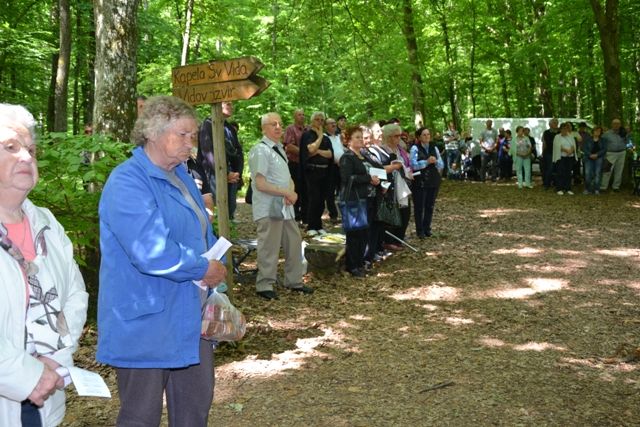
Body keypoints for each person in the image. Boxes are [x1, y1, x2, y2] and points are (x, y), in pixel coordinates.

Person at [97, 96, 227, 426]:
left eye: (193, 135)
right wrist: (203, 268)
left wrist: (217, 264)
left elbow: (202, 230)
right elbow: (150, 252)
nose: (190, 143)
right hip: (146, 322)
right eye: (182, 134)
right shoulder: (127, 181)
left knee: (194, 410)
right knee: (141, 416)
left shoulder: (181, 175)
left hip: (190, 314)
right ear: (153, 133)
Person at [0, 104, 88, 426]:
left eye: (31, 150)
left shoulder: (46, 222)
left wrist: (56, 357)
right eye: (11, 147)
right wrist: (25, 375)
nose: (26, 157)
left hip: (45, 397)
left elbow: (75, 294)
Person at [248, 112, 314, 300]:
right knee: (269, 246)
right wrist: (286, 193)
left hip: (285, 207)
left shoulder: (279, 149)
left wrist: (292, 192)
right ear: (264, 128)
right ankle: (264, 285)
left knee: (294, 243)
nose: (278, 127)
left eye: (280, 123)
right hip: (269, 208)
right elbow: (260, 183)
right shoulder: (260, 150)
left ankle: (294, 281)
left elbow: (288, 178)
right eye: (273, 124)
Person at [339, 126, 380, 277]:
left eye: (361, 137)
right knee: (355, 233)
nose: (361, 139)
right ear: (348, 141)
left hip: (368, 198)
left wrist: (376, 180)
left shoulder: (364, 156)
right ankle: (352, 265)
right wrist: (368, 178)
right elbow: (348, 178)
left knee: (364, 232)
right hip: (354, 200)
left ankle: (360, 262)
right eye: (357, 137)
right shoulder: (347, 157)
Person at [197, 101, 243, 220]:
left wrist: (237, 173)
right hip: (214, 175)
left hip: (232, 176)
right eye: (228, 104)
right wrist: (224, 173)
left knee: (229, 211)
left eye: (231, 104)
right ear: (218, 105)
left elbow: (238, 151)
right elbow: (208, 153)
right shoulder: (208, 124)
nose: (231, 107)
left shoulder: (229, 127)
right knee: (216, 212)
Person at [299, 112, 333, 236]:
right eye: (317, 119)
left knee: (321, 200)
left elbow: (330, 154)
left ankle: (318, 225)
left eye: (322, 120)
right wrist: (319, 137)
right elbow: (310, 149)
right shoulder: (307, 135)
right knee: (313, 199)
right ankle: (311, 226)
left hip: (324, 172)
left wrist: (318, 151)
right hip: (312, 172)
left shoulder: (327, 138)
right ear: (312, 121)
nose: (319, 122)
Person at [381, 123, 412, 248]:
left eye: (400, 135)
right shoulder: (383, 150)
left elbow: (407, 164)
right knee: (392, 213)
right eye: (396, 136)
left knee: (405, 212)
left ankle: (399, 238)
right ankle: (389, 241)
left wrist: (409, 172)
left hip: (402, 184)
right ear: (388, 137)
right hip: (389, 185)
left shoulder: (400, 149)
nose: (399, 138)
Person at [410, 127, 443, 239]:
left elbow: (441, 164)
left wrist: (436, 161)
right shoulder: (415, 148)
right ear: (419, 137)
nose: (427, 137)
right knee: (419, 207)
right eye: (424, 135)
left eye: (428, 134)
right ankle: (419, 230)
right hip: (420, 181)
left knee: (430, 206)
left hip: (433, 180)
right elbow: (413, 165)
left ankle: (427, 228)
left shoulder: (434, 147)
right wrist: (426, 162)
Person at [283, 109, 306, 221]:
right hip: (294, 163)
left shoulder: (308, 129)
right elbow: (289, 146)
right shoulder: (290, 129)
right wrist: (305, 153)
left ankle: (304, 213)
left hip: (306, 165)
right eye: (299, 115)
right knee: (295, 188)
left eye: (303, 114)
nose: (302, 116)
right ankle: (295, 213)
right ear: (295, 117)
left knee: (304, 189)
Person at [324, 118, 344, 223]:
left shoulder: (338, 137)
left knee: (343, 189)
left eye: (334, 123)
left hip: (342, 167)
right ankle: (333, 215)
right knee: (330, 191)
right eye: (331, 123)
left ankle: (344, 212)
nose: (334, 125)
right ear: (326, 126)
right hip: (330, 167)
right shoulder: (324, 137)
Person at [600, 118, 627, 192]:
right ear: (612, 125)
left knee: (619, 170)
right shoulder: (607, 134)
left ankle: (616, 187)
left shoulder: (623, 133)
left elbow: (628, 141)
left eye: (618, 124)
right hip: (610, 153)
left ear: (620, 125)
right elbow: (601, 143)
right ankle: (603, 187)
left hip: (621, 153)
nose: (616, 125)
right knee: (607, 170)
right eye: (614, 124)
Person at [552, 122, 577, 195]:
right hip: (561, 157)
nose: (565, 130)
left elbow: (574, 145)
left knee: (568, 173)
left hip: (569, 157)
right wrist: (565, 150)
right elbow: (557, 146)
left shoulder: (570, 136)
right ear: (560, 129)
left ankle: (568, 188)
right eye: (563, 129)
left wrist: (571, 151)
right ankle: (559, 188)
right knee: (560, 172)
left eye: (566, 129)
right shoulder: (557, 137)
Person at [583, 126, 606, 195]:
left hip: (599, 158)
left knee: (598, 173)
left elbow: (604, 149)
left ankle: (596, 189)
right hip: (588, 158)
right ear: (593, 131)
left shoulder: (603, 140)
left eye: (599, 131)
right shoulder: (588, 139)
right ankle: (588, 189)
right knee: (587, 173)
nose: (597, 132)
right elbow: (584, 148)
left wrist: (597, 155)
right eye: (596, 131)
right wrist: (590, 155)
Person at [541, 118, 560, 189]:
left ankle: (556, 183)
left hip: (558, 152)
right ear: (550, 124)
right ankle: (547, 184)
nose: (556, 124)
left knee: (557, 168)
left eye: (556, 123)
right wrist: (543, 153)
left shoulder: (560, 132)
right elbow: (544, 143)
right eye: (554, 123)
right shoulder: (546, 132)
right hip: (549, 152)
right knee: (549, 168)